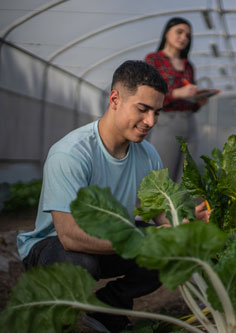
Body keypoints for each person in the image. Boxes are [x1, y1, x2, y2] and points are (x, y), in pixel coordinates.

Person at [17, 60, 209, 333]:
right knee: (79, 262)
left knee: (170, 248)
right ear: (115, 99)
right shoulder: (71, 153)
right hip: (54, 248)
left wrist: (185, 223)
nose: (151, 122)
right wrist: (147, 238)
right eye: (142, 110)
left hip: (114, 239)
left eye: (157, 112)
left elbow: (161, 215)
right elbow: (69, 235)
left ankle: (109, 306)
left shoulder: (148, 155)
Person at [145, 17, 207, 183]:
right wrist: (177, 93)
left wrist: (197, 103)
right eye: (179, 32)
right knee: (163, 175)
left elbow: (188, 99)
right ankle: (160, 210)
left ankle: (181, 210)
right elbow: (149, 95)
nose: (184, 38)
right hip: (166, 122)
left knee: (186, 177)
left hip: (189, 122)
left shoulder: (188, 66)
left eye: (187, 35)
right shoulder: (154, 60)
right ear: (167, 33)